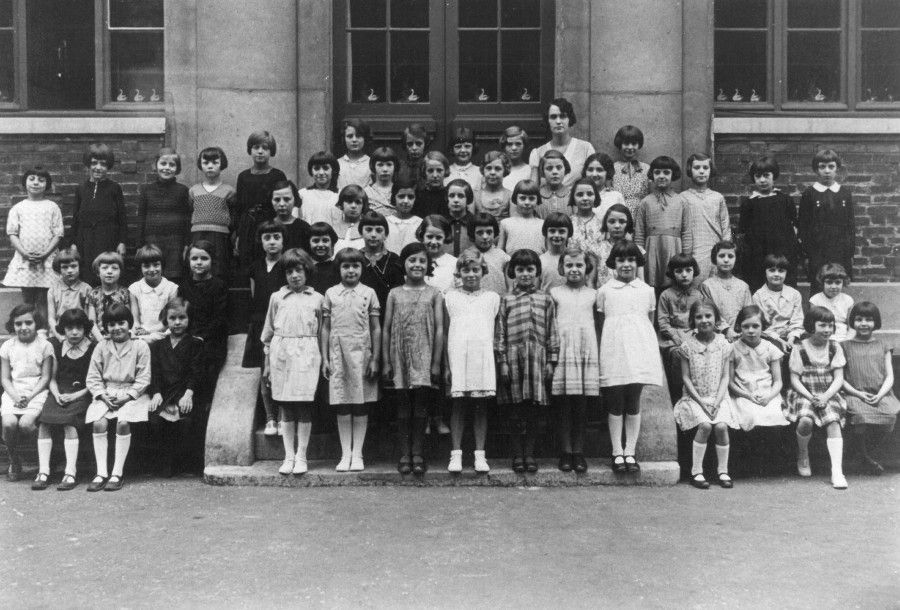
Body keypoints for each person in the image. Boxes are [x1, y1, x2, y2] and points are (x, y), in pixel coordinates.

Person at [598, 241, 664, 474]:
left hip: (639, 349)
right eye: (621, 260)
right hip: (614, 348)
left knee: (633, 398)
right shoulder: (605, 290)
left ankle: (630, 451)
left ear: (638, 263)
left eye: (631, 260)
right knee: (615, 399)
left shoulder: (646, 291)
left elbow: (650, 323)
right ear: (613, 263)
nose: (626, 264)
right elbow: (601, 324)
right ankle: (617, 452)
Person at [381, 242, 444, 475]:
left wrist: (436, 362)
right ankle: (404, 453)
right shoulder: (394, 293)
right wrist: (386, 361)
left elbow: (439, 329)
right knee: (402, 407)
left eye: (422, 261)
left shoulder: (435, 293)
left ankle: (418, 453)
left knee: (420, 406)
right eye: (412, 260)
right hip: (400, 354)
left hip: (425, 354)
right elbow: (386, 328)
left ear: (428, 265)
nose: (417, 265)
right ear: (403, 264)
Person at [261, 249, 324, 475]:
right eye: (289, 271)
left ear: (307, 272)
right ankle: (288, 456)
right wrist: (267, 365)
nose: (294, 276)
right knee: (286, 406)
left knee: (304, 405)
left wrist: (324, 359)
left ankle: (302, 456)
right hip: (282, 353)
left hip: (308, 353)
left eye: (299, 270)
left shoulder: (317, 299)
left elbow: (323, 332)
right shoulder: (277, 298)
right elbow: (268, 334)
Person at [497, 249, 557, 473]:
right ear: (513, 272)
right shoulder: (507, 299)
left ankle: (529, 453)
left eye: (530, 269)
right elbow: (500, 332)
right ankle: (517, 453)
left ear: (537, 272)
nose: (525, 274)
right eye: (520, 269)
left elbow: (552, 330)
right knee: (515, 409)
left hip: (537, 360)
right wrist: (502, 360)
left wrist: (551, 360)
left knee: (533, 410)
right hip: (513, 360)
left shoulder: (546, 299)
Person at [322, 248, 381, 472]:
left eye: (355, 266)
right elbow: (325, 328)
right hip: (338, 352)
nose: (350, 270)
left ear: (361, 269)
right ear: (338, 269)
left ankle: (358, 454)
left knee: (360, 403)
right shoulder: (331, 293)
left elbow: (376, 328)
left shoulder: (369, 293)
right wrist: (325, 357)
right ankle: (345, 453)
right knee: (342, 402)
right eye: (345, 266)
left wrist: (375, 357)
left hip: (362, 353)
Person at [443, 248, 500, 473]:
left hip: (481, 357)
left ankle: (479, 455)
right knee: (457, 405)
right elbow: (446, 331)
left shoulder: (492, 298)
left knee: (480, 406)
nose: (471, 274)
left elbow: (495, 331)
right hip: (457, 356)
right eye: (466, 270)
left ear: (483, 271)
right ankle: (455, 455)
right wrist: (446, 364)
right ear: (458, 272)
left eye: (475, 269)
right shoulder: (449, 297)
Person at [85, 303, 152, 492]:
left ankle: (117, 472)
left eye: (121, 323)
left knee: (123, 422)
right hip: (108, 393)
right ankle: (101, 473)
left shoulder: (140, 345)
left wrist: (128, 397)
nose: (117, 328)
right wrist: (102, 395)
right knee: (99, 422)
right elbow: (93, 377)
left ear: (129, 323)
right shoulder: (101, 346)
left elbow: (144, 378)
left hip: (133, 394)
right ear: (106, 327)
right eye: (111, 324)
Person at [673, 300, 739, 489]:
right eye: (699, 317)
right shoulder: (687, 346)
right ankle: (696, 472)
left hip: (718, 396)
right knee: (704, 426)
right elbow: (685, 377)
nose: (704, 320)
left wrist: (717, 402)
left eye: (708, 316)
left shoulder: (723, 344)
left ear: (716, 319)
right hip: (695, 398)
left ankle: (723, 471)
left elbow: (726, 377)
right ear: (693, 321)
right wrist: (702, 402)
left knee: (720, 427)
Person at [785, 306, 849, 489]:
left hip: (828, 391)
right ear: (811, 326)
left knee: (833, 421)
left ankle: (837, 470)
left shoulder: (835, 347)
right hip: (805, 391)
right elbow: (794, 379)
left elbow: (839, 378)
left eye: (830, 325)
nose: (827, 330)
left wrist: (826, 396)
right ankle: (803, 454)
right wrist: (811, 396)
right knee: (805, 420)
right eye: (822, 325)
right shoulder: (800, 347)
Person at [550, 247, 599, 473]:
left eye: (579, 265)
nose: (574, 269)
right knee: (563, 405)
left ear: (587, 268)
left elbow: (598, 326)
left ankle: (579, 451)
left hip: (585, 352)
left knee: (581, 406)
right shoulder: (555, 293)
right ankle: (565, 452)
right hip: (563, 352)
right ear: (562, 268)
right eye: (569, 265)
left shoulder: (593, 295)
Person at [34, 309, 94, 490]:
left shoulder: (93, 347)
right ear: (63, 330)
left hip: (82, 395)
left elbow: (94, 381)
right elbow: (51, 378)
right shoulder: (57, 346)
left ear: (85, 329)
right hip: (60, 393)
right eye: (69, 328)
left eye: (79, 328)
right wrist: (57, 394)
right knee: (44, 422)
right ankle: (43, 471)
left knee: (69, 423)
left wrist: (75, 395)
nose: (74, 332)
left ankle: (70, 472)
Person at [841, 302, 900, 476]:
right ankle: (865, 456)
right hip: (855, 394)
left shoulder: (883, 345)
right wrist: (857, 393)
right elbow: (841, 379)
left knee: (889, 418)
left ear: (876, 322)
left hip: (881, 394)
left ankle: (866, 454)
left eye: (869, 319)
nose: (864, 323)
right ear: (853, 322)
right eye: (859, 319)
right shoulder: (845, 346)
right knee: (860, 417)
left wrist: (881, 394)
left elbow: (890, 376)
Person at [148, 298, 204, 478]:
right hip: (165, 393)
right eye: (172, 318)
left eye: (182, 317)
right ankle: (166, 462)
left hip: (185, 391)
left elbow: (196, 371)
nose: (177, 322)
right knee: (156, 419)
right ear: (166, 320)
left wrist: (188, 394)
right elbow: (155, 371)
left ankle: (185, 463)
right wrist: (156, 393)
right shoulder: (158, 345)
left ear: (189, 319)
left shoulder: (196, 343)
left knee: (186, 419)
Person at [242, 221, 286, 436]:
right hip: (261, 324)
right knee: (265, 372)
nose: (272, 242)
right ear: (260, 241)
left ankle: (282, 417)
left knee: (282, 370)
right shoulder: (255, 266)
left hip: (283, 324)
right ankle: (270, 418)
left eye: (276, 237)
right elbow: (252, 296)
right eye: (267, 238)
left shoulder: (288, 265)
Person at [3, 166, 64, 319]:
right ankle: (28, 326)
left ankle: (43, 331)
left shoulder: (52, 207)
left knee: (44, 298)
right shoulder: (18, 208)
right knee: (28, 299)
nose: (36, 183)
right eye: (32, 179)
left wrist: (45, 254)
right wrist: (24, 253)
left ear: (47, 184)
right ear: (25, 183)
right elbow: (12, 233)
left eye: (41, 180)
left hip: (47, 259)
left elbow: (58, 234)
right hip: (25, 260)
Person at [1, 304, 52, 482]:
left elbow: (45, 377)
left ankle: (42, 460)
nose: (23, 327)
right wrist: (15, 396)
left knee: (26, 424)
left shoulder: (45, 345)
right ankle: (14, 461)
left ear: (36, 323)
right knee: (8, 423)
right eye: (18, 324)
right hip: (14, 392)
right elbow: (5, 378)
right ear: (13, 325)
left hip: (36, 392)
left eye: (28, 322)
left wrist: (29, 397)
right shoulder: (8, 346)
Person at [736, 156, 799, 291]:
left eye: (766, 175)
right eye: (758, 176)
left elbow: (792, 229)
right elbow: (744, 231)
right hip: (757, 256)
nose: (762, 180)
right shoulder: (749, 204)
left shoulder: (785, 200)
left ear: (774, 176)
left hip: (781, 254)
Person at [177, 240, 229, 402]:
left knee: (205, 366)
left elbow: (220, 318)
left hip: (211, 339)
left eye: (204, 258)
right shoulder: (184, 287)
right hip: (189, 336)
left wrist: (202, 336)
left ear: (212, 260)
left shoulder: (219, 286)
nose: (199, 262)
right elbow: (180, 314)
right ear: (188, 261)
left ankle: (204, 408)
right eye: (194, 259)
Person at [799, 149, 855, 295]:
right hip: (817, 252)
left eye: (831, 166)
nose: (827, 171)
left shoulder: (844, 193)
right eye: (822, 167)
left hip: (840, 251)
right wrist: (807, 254)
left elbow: (850, 226)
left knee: (837, 285)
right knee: (818, 286)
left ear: (837, 168)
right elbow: (803, 227)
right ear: (816, 169)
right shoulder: (809, 194)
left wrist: (850, 253)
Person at [70, 143, 127, 285]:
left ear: (108, 167)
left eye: (103, 164)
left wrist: (122, 242)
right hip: (85, 239)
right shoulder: (81, 189)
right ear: (88, 165)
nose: (98, 168)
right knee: (87, 273)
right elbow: (75, 218)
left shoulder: (114, 188)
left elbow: (122, 218)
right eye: (94, 163)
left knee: (106, 272)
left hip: (108, 238)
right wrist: (73, 243)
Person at [634, 155, 692, 292]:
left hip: (674, 248)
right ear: (652, 175)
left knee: (674, 285)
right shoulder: (645, 202)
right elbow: (639, 233)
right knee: (651, 286)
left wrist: (686, 257)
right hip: (652, 249)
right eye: (657, 172)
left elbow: (687, 231)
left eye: (666, 172)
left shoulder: (681, 201)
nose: (661, 176)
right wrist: (640, 257)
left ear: (673, 175)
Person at [729, 305, 789, 430]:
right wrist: (747, 395)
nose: (751, 330)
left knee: (773, 415)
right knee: (750, 416)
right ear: (739, 327)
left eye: (755, 326)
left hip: (767, 394)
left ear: (763, 327)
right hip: (743, 395)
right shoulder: (733, 349)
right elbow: (730, 382)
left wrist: (770, 396)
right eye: (746, 326)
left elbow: (778, 381)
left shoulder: (770, 348)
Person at [234, 131, 287, 271]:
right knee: (247, 264)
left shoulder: (277, 175)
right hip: (248, 226)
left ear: (271, 151)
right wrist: (239, 234)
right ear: (250, 150)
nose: (260, 151)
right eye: (256, 147)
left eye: (265, 148)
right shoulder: (243, 176)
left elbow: (282, 203)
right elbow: (239, 207)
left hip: (269, 224)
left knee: (268, 261)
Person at [138, 147, 191, 280]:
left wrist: (186, 244)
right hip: (152, 240)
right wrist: (140, 245)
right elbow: (141, 218)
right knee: (153, 274)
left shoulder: (183, 191)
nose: (167, 168)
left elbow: (187, 219)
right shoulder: (146, 190)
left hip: (175, 242)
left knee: (173, 276)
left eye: (172, 165)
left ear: (177, 169)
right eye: (163, 163)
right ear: (155, 166)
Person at [657, 253, 703, 400]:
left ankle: (699, 393)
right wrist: (677, 337)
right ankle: (678, 395)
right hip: (672, 337)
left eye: (688, 270)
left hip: (694, 334)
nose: (684, 275)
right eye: (679, 271)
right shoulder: (666, 295)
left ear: (694, 271)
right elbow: (663, 323)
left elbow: (702, 318)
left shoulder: (698, 295)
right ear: (672, 273)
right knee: (678, 353)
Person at [682, 153, 730, 281]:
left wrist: (725, 251)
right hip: (694, 250)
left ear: (710, 170)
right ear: (690, 170)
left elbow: (725, 226)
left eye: (705, 168)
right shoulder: (682, 198)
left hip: (715, 249)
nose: (701, 171)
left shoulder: (717, 197)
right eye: (697, 168)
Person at [528, 97, 595, 190]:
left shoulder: (586, 148)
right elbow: (533, 191)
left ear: (569, 119)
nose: (558, 121)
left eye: (563, 116)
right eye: (553, 117)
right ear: (547, 120)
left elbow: (593, 185)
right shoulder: (538, 153)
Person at [189, 146, 235, 279]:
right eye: (206, 163)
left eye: (215, 163)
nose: (210, 166)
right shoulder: (193, 191)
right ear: (200, 165)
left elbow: (233, 216)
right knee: (198, 267)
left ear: (222, 165)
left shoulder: (229, 191)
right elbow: (190, 212)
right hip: (198, 234)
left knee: (219, 268)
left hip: (220, 237)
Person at [752, 254, 804, 354]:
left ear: (786, 272)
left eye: (781, 271)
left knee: (800, 352)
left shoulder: (794, 294)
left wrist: (791, 340)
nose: (776, 274)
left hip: (791, 336)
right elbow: (761, 325)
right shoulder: (758, 296)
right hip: (768, 337)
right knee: (773, 352)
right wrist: (779, 341)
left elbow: (797, 321)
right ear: (765, 272)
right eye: (772, 270)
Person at [700, 241, 751, 340]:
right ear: (715, 258)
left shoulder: (743, 286)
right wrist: (726, 330)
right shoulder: (707, 286)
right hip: (716, 335)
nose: (726, 260)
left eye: (730, 256)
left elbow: (749, 314)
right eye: (722, 256)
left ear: (736, 259)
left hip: (741, 335)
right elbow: (709, 313)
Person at [128, 244, 179, 344]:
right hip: (141, 334)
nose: (151, 270)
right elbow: (135, 320)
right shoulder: (134, 289)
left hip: (163, 333)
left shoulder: (171, 288)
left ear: (162, 265)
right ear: (140, 267)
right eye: (146, 266)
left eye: (156, 265)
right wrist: (138, 330)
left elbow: (169, 320)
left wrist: (150, 332)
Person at [358, 211, 405, 316]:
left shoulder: (394, 259)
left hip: (387, 313)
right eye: (368, 230)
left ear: (386, 234)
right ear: (361, 232)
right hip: (360, 314)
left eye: (379, 230)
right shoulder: (355, 258)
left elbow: (399, 293)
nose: (373, 235)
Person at [47, 246, 91, 342]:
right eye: (65, 267)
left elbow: (88, 317)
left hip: (79, 332)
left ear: (79, 267)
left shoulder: (86, 289)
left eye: (73, 266)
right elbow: (51, 318)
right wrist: (59, 336)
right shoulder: (53, 290)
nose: (69, 270)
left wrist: (84, 334)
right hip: (59, 333)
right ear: (59, 269)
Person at [595, 204, 644, 287]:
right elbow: (591, 281)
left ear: (628, 224)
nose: (617, 226)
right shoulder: (596, 249)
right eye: (612, 221)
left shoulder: (636, 249)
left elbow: (641, 280)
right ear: (605, 224)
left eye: (622, 221)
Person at [85, 252, 130, 344]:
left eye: (114, 268)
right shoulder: (93, 293)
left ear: (120, 272)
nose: (109, 271)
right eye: (105, 268)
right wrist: (100, 339)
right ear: (98, 272)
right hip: (98, 338)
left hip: (120, 336)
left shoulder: (124, 293)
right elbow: (91, 321)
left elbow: (128, 319)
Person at [567, 178, 605, 283]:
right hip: (574, 273)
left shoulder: (603, 223)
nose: (585, 198)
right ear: (573, 198)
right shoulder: (568, 223)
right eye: (579, 195)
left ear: (596, 196)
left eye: (589, 194)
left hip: (599, 274)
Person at [809, 263, 854, 342]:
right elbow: (813, 327)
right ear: (822, 283)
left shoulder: (848, 300)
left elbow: (852, 327)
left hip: (843, 338)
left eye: (838, 282)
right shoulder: (815, 300)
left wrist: (846, 342)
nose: (833, 286)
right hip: (822, 338)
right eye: (829, 282)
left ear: (843, 283)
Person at [611, 125, 650, 215]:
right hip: (619, 215)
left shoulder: (647, 168)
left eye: (634, 144)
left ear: (639, 145)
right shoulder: (613, 168)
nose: (630, 147)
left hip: (642, 215)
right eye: (626, 143)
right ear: (620, 144)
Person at [498, 179, 545, 255]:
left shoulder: (543, 224)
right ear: (515, 199)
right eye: (522, 198)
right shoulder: (506, 223)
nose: (527, 202)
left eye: (531, 198)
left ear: (537, 200)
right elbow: (499, 252)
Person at [468, 213, 509, 295]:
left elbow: (510, 284)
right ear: (473, 234)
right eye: (480, 233)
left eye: (489, 232)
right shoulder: (467, 256)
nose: (485, 237)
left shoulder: (502, 256)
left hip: (498, 300)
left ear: (495, 233)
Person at [298, 151, 340, 226]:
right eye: (316, 168)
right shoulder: (302, 194)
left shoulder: (339, 195)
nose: (321, 172)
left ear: (333, 170)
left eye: (325, 168)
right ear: (311, 171)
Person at [419, 215, 457, 295]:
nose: (433, 242)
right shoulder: (415, 261)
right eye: (429, 237)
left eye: (438, 238)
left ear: (445, 238)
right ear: (422, 236)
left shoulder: (454, 264)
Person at [269, 179, 311, 253]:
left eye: (286, 199)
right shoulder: (266, 227)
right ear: (271, 201)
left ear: (295, 200)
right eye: (277, 200)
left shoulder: (304, 228)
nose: (282, 204)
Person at [581, 152, 625, 221]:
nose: (594, 174)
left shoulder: (616, 197)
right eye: (590, 170)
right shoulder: (579, 196)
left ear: (607, 172)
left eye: (599, 170)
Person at [384, 178, 421, 255]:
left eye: (410, 197)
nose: (406, 201)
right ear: (394, 197)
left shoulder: (420, 223)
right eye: (401, 196)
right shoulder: (385, 222)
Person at [539, 213, 572, 293]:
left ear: (569, 233)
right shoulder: (540, 260)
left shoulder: (575, 259)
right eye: (552, 231)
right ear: (545, 233)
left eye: (561, 231)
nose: (557, 235)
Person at [474, 151, 511, 220]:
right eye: (488, 168)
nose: (492, 172)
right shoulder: (475, 196)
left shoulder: (510, 196)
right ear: (483, 170)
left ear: (505, 171)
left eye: (497, 169)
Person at [336, 118, 372, 189]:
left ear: (365, 138)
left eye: (358, 136)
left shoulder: (371, 164)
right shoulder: (337, 164)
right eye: (350, 136)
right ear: (344, 138)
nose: (354, 140)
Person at [413, 151, 450, 218]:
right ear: (424, 172)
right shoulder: (418, 196)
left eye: (439, 170)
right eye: (430, 171)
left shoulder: (450, 195)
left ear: (445, 171)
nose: (435, 175)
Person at [364, 146, 399, 216]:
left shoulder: (400, 190)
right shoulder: (366, 192)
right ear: (373, 167)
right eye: (380, 165)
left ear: (395, 167)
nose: (385, 169)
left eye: (389, 164)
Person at [307, 222, 340, 295]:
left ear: (332, 243)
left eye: (325, 240)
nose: (321, 245)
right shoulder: (305, 266)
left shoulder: (337, 267)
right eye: (315, 241)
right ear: (309, 243)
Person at [332, 185, 368, 250]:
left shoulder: (368, 229)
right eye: (349, 202)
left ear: (363, 206)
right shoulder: (333, 228)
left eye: (358, 202)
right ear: (341, 204)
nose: (353, 206)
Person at [536, 150, 571, 218]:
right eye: (549, 168)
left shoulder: (571, 195)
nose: (555, 172)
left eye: (559, 168)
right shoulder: (537, 196)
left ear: (565, 169)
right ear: (542, 171)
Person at [445, 179, 474, 256]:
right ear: (446, 198)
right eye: (451, 196)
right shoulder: (441, 222)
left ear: (468, 199)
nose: (456, 200)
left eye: (461, 196)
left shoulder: (475, 222)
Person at [397, 123, 429, 191]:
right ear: (405, 145)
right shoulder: (399, 167)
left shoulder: (430, 166)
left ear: (425, 144)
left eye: (418, 144)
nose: (414, 148)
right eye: (410, 144)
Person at [500, 126, 532, 191]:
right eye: (509, 144)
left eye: (518, 144)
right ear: (504, 147)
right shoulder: (498, 170)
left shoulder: (530, 170)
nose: (514, 148)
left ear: (524, 146)